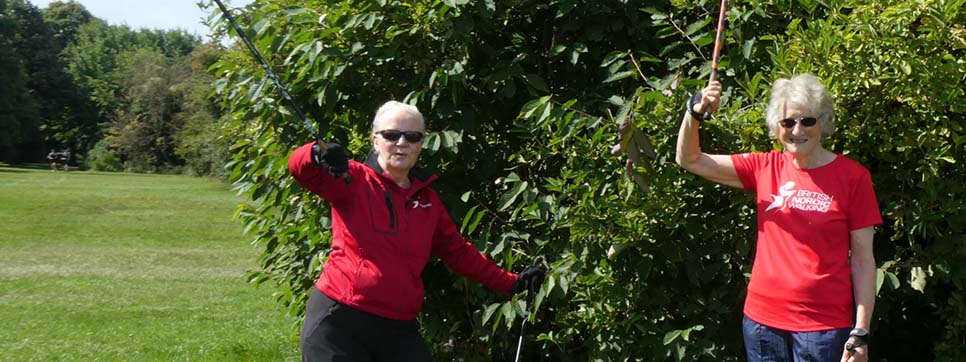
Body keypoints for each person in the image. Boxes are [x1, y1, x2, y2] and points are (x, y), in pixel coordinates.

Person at [289, 100, 545, 362]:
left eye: (412, 137)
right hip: (340, 321)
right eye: (392, 135)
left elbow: (458, 253)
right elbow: (301, 171)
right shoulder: (351, 178)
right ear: (375, 140)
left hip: (399, 326)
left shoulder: (428, 200)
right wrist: (314, 154)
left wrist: (512, 283)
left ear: (421, 144)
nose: (402, 143)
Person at [675, 74, 881, 362]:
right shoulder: (764, 166)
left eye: (807, 121)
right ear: (777, 126)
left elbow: (862, 260)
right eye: (788, 122)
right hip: (762, 323)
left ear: (823, 122)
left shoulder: (853, 177)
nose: (797, 130)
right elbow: (690, 159)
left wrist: (860, 331)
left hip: (823, 328)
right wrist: (694, 114)